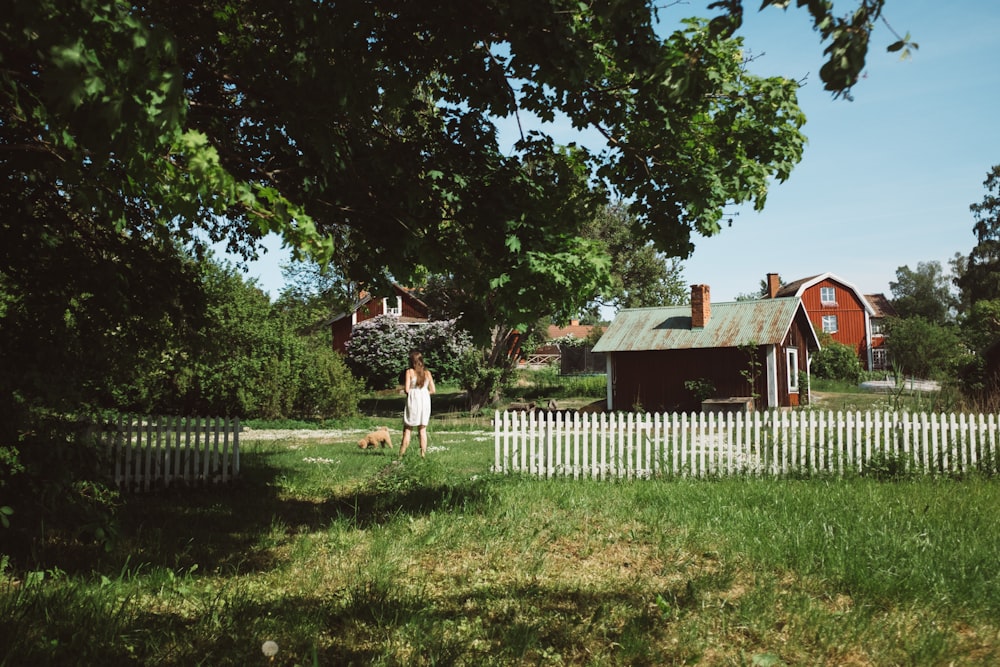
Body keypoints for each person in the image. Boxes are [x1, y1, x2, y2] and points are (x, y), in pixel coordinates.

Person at [399, 350, 436, 457]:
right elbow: (433, 390)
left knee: (408, 429)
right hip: (425, 401)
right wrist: (423, 393)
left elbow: (407, 389)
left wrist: (415, 393)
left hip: (413, 401)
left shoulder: (409, 372)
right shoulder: (428, 373)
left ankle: (401, 455)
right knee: (422, 429)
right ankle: (423, 455)